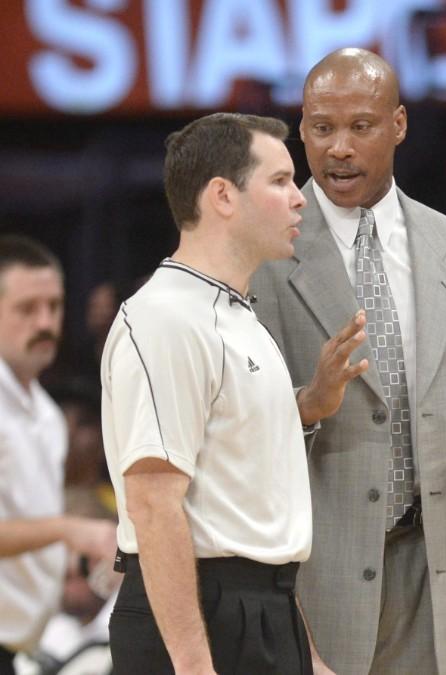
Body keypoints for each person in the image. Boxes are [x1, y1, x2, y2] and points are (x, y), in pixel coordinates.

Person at [250, 48, 446, 675]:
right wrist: (305, 407)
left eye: (360, 127)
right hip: (306, 583)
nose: (338, 147)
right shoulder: (259, 254)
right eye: (321, 128)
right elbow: (228, 429)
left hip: (431, 576)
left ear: (398, 125)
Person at [101, 112, 360, 674]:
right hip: (196, 620)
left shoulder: (239, 318)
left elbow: (253, 520)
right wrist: (195, 667)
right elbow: (153, 503)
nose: (300, 199)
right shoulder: (166, 317)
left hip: (264, 609)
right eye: (280, 181)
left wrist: (308, 657)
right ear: (222, 195)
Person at [0, 236, 116, 675]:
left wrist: (83, 557)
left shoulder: (48, 416)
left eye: (55, 306)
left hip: (23, 644)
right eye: (27, 309)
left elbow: (27, 532)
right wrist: (70, 530)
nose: (45, 322)